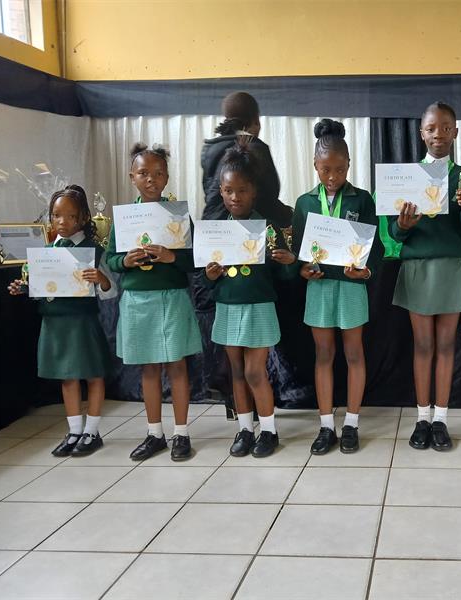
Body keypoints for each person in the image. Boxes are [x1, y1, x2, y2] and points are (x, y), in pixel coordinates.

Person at [390, 101, 461, 452]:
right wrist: (402, 225)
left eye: (445, 127)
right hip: (418, 268)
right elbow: (396, 235)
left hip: (451, 267)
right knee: (423, 346)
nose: (438, 134)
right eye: (431, 128)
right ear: (421, 133)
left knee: (446, 346)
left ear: (455, 132)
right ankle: (421, 418)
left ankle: (441, 419)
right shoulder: (407, 176)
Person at [105, 143, 202, 461]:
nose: (151, 179)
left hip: (172, 298)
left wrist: (172, 255)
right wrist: (126, 261)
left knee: (176, 366)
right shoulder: (124, 217)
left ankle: (181, 434)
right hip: (137, 300)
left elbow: (193, 261)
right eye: (144, 173)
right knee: (149, 369)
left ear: (167, 177)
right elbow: (111, 259)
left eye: (158, 173)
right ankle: (154, 433)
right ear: (132, 176)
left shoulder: (178, 215)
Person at [292, 118, 381, 455]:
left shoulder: (362, 200)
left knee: (354, 353)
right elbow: (301, 251)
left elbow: (377, 249)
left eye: (339, 169)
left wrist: (367, 273)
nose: (332, 176)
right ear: (315, 165)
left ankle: (352, 424)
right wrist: (303, 271)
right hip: (320, 289)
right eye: (325, 169)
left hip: (352, 288)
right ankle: (327, 425)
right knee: (324, 355)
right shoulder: (304, 203)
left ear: (349, 165)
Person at [8, 185, 117, 456]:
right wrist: (24, 287)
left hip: (82, 321)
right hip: (55, 322)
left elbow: (111, 291)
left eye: (70, 216)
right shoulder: (47, 251)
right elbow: (42, 288)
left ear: (82, 218)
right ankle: (74, 431)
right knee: (67, 378)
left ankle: (92, 431)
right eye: (56, 215)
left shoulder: (93, 250)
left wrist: (100, 280)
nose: (62, 222)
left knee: (92, 374)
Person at [204, 143, 297, 458]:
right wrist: (212, 274)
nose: (235, 197)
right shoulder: (215, 232)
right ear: (221, 190)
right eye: (229, 190)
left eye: (241, 190)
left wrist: (288, 263)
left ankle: (269, 430)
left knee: (256, 371)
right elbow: (206, 279)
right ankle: (245, 429)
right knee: (237, 371)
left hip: (258, 307)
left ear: (253, 191)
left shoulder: (268, 229)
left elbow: (284, 277)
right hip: (228, 308)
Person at [201, 91, 291, 226]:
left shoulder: (210, 149)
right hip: (250, 227)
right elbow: (271, 194)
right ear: (256, 120)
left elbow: (208, 191)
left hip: (212, 226)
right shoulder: (257, 148)